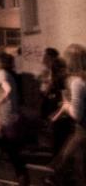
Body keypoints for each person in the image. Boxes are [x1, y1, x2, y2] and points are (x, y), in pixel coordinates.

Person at [0, 48, 27, 184]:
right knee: (1, 148)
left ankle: (21, 175)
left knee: (7, 148)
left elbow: (7, 89)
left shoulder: (1, 73)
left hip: (3, 117)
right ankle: (19, 175)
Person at [49, 44, 86, 185]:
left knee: (63, 162)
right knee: (78, 167)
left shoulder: (76, 82)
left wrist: (66, 106)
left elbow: (77, 114)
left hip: (82, 130)